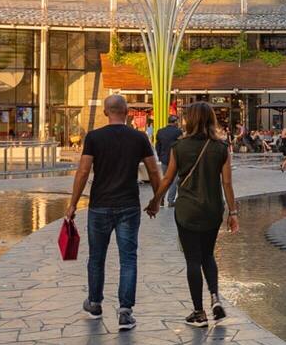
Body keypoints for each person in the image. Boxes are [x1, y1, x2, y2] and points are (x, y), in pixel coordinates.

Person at [62, 94, 162, 332]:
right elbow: (153, 171)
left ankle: (95, 303)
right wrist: (156, 200)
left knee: (97, 257)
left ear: (105, 112)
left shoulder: (94, 137)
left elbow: (83, 171)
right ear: (126, 112)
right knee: (128, 258)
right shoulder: (139, 137)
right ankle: (125, 312)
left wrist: (73, 204)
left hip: (99, 205)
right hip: (128, 205)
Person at [147, 102, 238, 328]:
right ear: (211, 119)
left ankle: (199, 312)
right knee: (208, 255)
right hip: (213, 209)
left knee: (193, 260)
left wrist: (155, 201)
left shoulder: (179, 147)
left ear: (190, 120)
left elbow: (168, 179)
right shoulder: (221, 147)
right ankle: (215, 297)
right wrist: (233, 212)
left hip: (187, 210)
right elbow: (227, 183)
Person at [154, 116, 183, 205]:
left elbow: (157, 146)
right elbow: (180, 145)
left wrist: (160, 156)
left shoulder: (160, 131)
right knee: (174, 180)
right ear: (175, 122)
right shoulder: (178, 132)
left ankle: (161, 199)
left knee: (165, 179)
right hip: (175, 159)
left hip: (164, 159)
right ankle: (170, 200)